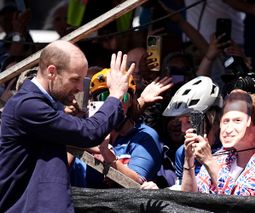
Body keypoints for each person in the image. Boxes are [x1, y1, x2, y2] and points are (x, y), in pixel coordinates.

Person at [0, 40, 135, 212]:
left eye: (83, 80)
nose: (80, 88)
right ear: (52, 72)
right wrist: (115, 95)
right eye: (75, 79)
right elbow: (89, 132)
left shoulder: (42, 104)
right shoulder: (28, 105)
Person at [181, 89, 255, 197]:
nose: (228, 129)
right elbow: (188, 200)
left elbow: (246, 205)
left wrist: (209, 161)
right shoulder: (219, 159)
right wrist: (189, 159)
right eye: (225, 121)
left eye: (237, 121)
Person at [162, 76, 223, 188]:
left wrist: (208, 159)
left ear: (212, 119)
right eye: (181, 122)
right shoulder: (182, 152)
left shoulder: (231, 150)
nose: (183, 130)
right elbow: (186, 198)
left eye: (190, 121)